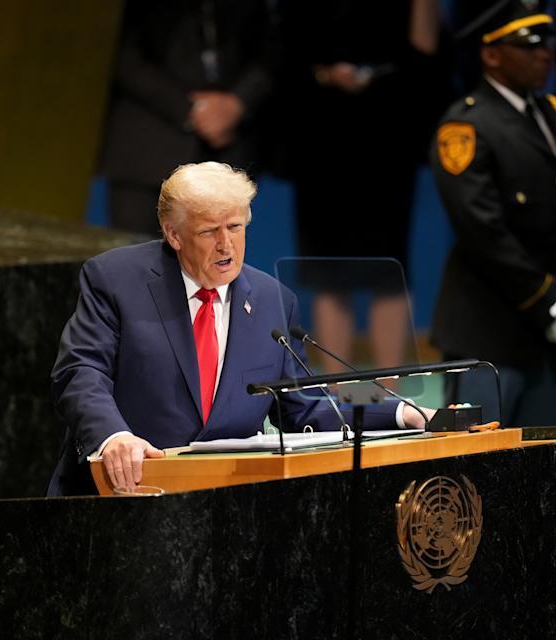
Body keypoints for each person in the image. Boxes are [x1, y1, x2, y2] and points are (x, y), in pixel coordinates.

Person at [47, 162, 434, 496]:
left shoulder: (272, 300)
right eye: (208, 232)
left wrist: (404, 411)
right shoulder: (115, 280)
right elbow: (81, 372)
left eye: (235, 226)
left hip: (225, 505)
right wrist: (114, 437)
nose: (225, 244)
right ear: (174, 234)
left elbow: (307, 403)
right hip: (124, 492)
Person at [430, 0, 556, 426]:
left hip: (549, 336)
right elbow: (482, 231)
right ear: (491, 55)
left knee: (543, 474)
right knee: (477, 472)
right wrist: (546, 302)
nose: (545, 54)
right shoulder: (466, 126)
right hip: (490, 337)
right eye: (528, 45)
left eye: (547, 43)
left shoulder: (553, 117)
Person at [277, 0, 451, 377]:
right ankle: (337, 393)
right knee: (329, 271)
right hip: (322, 133)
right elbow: (283, 44)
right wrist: (324, 73)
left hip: (390, 133)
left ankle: (390, 398)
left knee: (388, 271)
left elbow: (428, 51)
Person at [100, 0, 277, 235]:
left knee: (216, 262)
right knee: (136, 261)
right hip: (146, 150)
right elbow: (121, 52)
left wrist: (237, 103)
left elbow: (272, 49)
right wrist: (190, 109)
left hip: (228, 151)